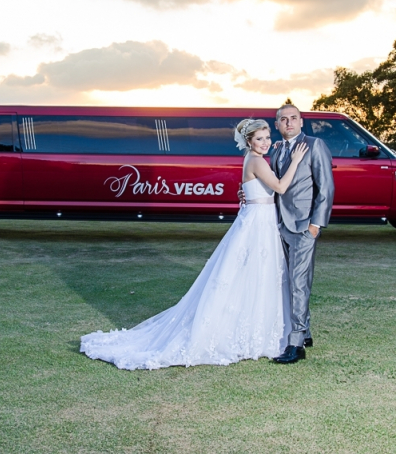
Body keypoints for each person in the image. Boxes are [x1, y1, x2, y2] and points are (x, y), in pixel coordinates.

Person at [80, 119, 308, 370]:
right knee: (252, 274)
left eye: (267, 138)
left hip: (259, 219)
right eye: (259, 139)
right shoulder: (255, 161)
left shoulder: (253, 160)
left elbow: (257, 189)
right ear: (248, 142)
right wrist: (296, 161)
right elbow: (280, 186)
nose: (265, 143)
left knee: (250, 275)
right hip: (258, 223)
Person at [269, 104, 334, 364]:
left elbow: (326, 187)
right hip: (279, 226)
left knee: (297, 282)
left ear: (301, 121)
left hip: (304, 225)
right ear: (277, 124)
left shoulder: (314, 145)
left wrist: (315, 225)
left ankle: (296, 343)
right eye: (283, 120)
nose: (288, 123)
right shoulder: (276, 149)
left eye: (293, 118)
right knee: (292, 281)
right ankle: (305, 331)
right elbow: (275, 185)